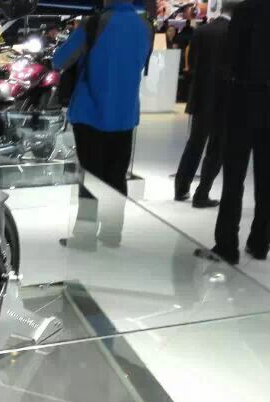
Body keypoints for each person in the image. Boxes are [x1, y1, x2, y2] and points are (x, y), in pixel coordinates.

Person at [201, 0, 270, 265]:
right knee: (269, 173)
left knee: (234, 173)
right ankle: (260, 243)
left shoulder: (246, 8)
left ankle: (227, 244)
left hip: (244, 93)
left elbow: (231, 55)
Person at [54, 0, 153, 246]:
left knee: (91, 176)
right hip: (125, 114)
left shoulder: (94, 23)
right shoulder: (145, 26)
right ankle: (111, 233)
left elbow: (60, 60)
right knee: (116, 175)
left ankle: (85, 236)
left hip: (91, 112)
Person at [173, 3, 233, 207]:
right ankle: (202, 193)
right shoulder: (236, 34)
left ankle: (181, 188)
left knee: (194, 144)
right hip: (225, 99)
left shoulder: (202, 31)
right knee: (216, 148)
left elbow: (191, 63)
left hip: (200, 96)